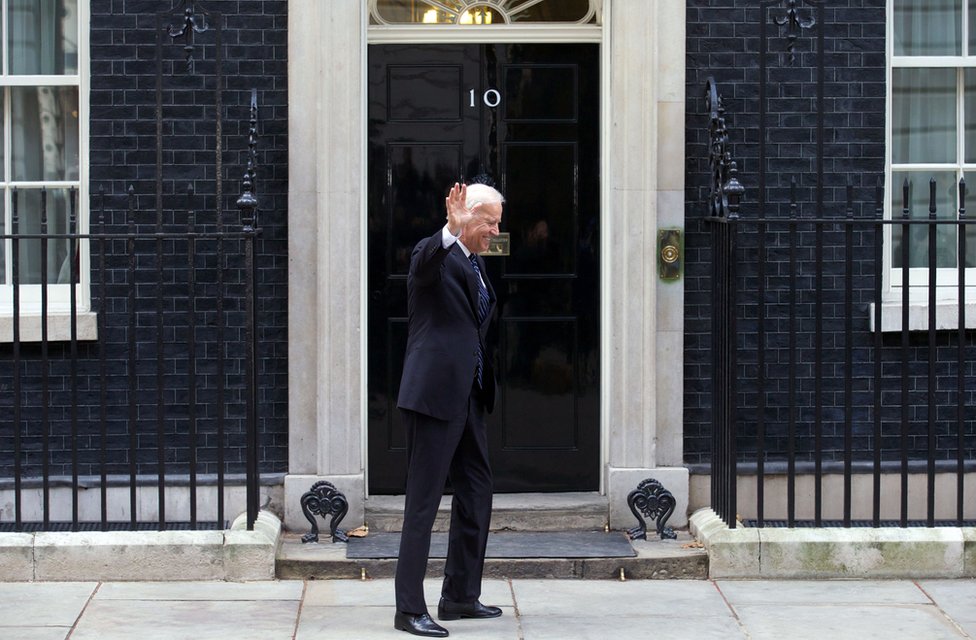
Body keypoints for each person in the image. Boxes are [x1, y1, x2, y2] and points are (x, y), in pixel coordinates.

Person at [393, 181, 505, 638]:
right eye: (490, 221)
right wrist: (447, 232)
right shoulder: (435, 253)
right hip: (435, 396)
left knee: (477, 491)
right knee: (423, 503)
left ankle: (459, 595)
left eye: (499, 221)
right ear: (467, 216)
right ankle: (408, 609)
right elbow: (421, 268)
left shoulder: (476, 262)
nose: (497, 230)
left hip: (469, 397)